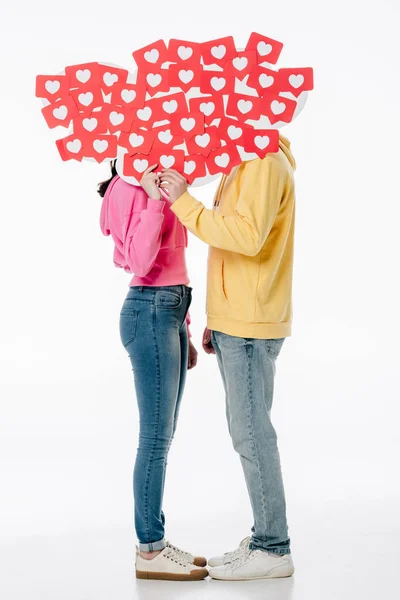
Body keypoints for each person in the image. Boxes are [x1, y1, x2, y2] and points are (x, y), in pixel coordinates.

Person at [159, 133, 296, 581]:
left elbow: (245, 237)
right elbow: (236, 240)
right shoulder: (247, 159)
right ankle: (264, 537)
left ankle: (273, 548)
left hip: (250, 322)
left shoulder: (262, 160)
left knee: (252, 434)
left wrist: (185, 203)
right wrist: (218, 316)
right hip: (239, 318)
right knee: (249, 430)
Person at [98, 160, 208, 581]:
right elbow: (142, 264)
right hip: (150, 309)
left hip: (170, 311)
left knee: (164, 434)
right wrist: (155, 201)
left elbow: (174, 260)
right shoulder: (131, 189)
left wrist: (186, 327)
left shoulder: (160, 181)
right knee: (155, 438)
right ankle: (149, 550)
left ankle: (155, 540)